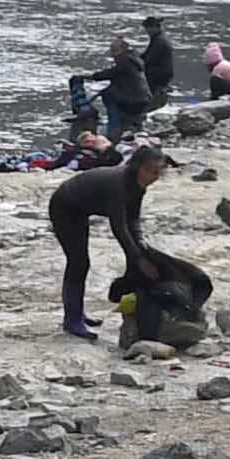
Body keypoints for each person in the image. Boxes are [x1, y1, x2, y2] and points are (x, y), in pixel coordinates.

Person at [50, 141, 171, 340]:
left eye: (157, 174)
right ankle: (72, 320)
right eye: (149, 172)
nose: (152, 178)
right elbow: (119, 227)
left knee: (82, 263)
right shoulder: (119, 184)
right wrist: (138, 259)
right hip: (66, 206)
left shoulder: (137, 186)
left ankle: (78, 313)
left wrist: (140, 244)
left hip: (82, 208)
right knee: (79, 262)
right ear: (137, 166)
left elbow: (132, 219)